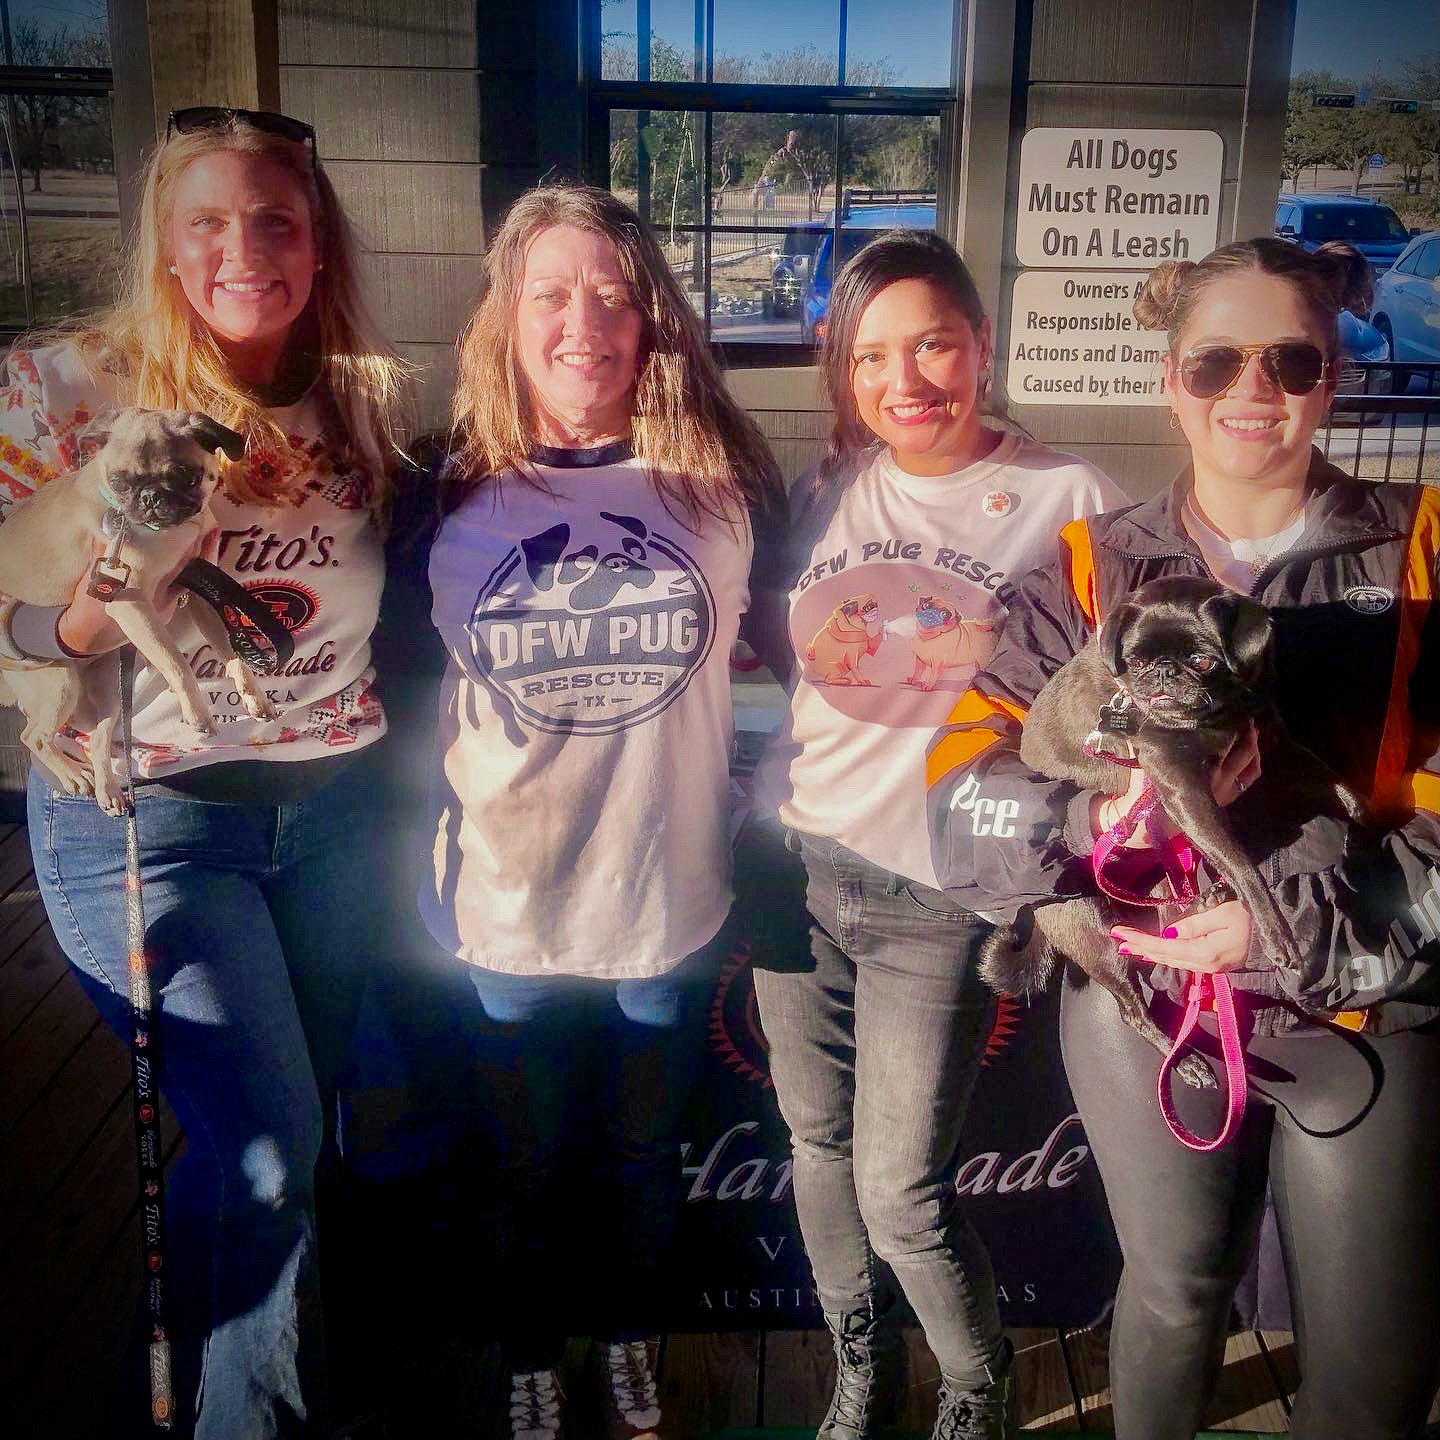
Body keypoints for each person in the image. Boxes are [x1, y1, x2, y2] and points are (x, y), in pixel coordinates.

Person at [927, 237, 1440, 1440]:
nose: (1252, 392)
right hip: (1148, 1003)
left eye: (1290, 360)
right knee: (1171, 1298)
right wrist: (1090, 822)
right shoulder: (1084, 569)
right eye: (1216, 363)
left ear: (1332, 381)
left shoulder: (1420, 551)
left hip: (1357, 1003)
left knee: (1375, 1375)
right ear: (1172, 383)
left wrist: (1276, 932)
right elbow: (960, 794)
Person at [0, 108, 411, 1436]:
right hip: (150, 823)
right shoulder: (60, 386)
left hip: (338, 816)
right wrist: (72, 630)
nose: (248, 250)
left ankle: (225, 1387)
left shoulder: (365, 397)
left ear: (316, 239)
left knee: (282, 1155)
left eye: (277, 220)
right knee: (264, 1150)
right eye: (211, 222)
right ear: (167, 243)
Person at [412, 182, 781, 1440]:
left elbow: (829, 645)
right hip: (501, 907)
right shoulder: (439, 489)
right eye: (552, 294)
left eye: (614, 295)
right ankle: (528, 1355)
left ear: (654, 320)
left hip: (665, 900)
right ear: (505, 319)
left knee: (635, 1163)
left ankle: (627, 1341)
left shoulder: (722, 483)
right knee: (522, 1163)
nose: (586, 323)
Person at [748, 230, 1125, 1440]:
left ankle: (975, 1384)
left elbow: (1116, 696)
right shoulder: (831, 487)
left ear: (982, 346)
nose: (903, 379)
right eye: (870, 356)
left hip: (936, 889)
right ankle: (863, 1367)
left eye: (932, 345)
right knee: (815, 1142)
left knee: (901, 1188)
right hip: (796, 861)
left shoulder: (1072, 499)